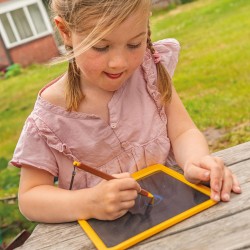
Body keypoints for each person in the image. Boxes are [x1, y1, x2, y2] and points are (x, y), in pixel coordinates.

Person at [11, 0, 241, 223]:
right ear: (65, 32)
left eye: (134, 44)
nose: (119, 63)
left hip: (180, 215)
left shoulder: (148, 71)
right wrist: (89, 202)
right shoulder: (49, 118)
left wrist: (196, 161)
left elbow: (182, 132)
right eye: (101, 47)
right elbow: (30, 198)